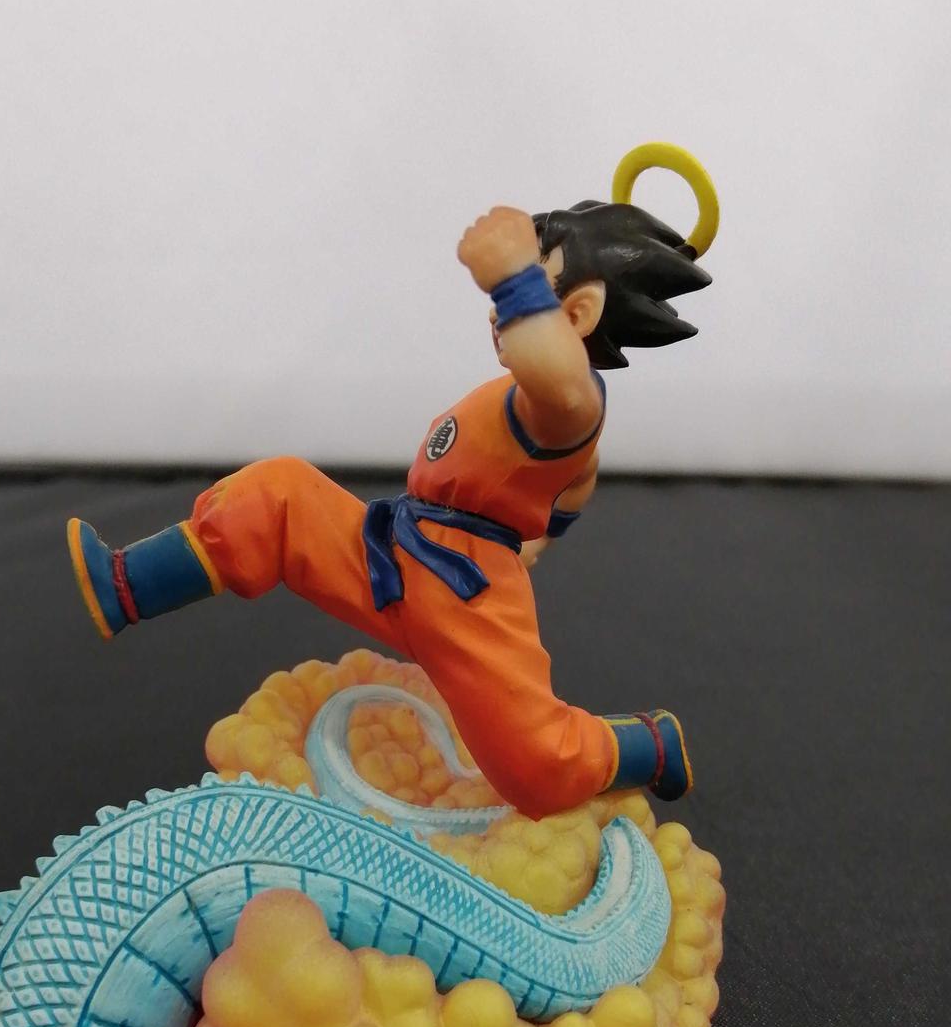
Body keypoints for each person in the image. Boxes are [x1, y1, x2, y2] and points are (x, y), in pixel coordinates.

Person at [67, 196, 711, 818]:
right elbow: (578, 480)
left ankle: (647, 745)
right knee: (277, 495)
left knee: (534, 764)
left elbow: (560, 382)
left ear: (578, 314)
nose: (501, 313)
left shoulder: (570, 403)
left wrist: (512, 276)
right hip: (395, 548)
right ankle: (127, 584)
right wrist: (545, 532)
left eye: (533, 292)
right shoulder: (540, 406)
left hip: (466, 595)